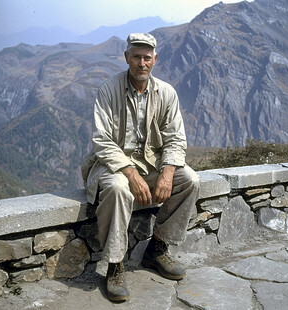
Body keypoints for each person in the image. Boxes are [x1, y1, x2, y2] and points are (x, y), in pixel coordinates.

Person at [81, 33, 200, 302]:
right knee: (118, 188)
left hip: (152, 165)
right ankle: (115, 265)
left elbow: (175, 138)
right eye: (136, 57)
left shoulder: (166, 93)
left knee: (189, 180)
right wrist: (130, 173)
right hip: (113, 166)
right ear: (127, 58)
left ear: (155, 60)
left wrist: (168, 172)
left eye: (147, 57)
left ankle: (156, 248)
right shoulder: (108, 90)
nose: (142, 63)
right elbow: (102, 140)